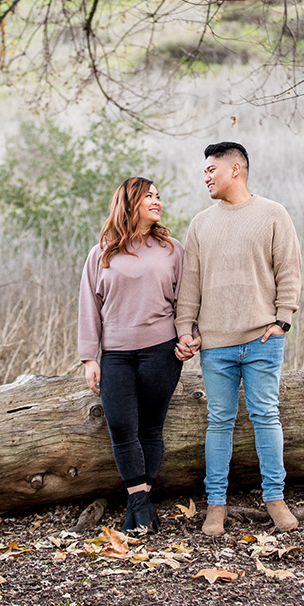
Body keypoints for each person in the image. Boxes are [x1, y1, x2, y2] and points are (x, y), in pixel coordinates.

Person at [175, 142, 301, 536]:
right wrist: (184, 328)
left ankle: (275, 500)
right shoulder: (200, 224)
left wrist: (283, 320)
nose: (207, 177)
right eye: (204, 172)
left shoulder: (272, 214)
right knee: (219, 422)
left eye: (212, 169)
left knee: (266, 416)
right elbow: (190, 285)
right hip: (216, 345)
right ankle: (216, 506)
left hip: (263, 339)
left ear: (236, 169)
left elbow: (290, 270)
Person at [78, 177, 184, 533]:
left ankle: (138, 509)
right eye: (149, 197)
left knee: (151, 428)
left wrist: (189, 337)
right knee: (122, 427)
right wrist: (90, 357)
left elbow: (186, 300)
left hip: (161, 351)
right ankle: (140, 502)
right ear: (130, 203)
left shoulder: (171, 249)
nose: (157, 201)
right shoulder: (102, 253)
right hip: (116, 356)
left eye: (158, 196)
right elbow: (89, 307)